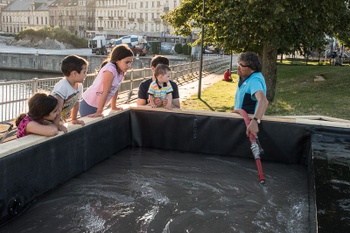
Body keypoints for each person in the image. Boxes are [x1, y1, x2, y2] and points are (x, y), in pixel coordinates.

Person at [79, 44, 134, 118]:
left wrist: (113, 106)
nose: (129, 65)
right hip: (89, 104)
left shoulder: (121, 71)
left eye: (131, 62)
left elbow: (115, 88)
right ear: (117, 60)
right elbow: (106, 91)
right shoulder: (110, 70)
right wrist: (99, 111)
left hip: (98, 104)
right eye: (127, 62)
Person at [234, 51, 269, 137]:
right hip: (241, 124)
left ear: (252, 69)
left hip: (248, 127)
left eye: (242, 66)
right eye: (239, 64)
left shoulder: (254, 81)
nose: (238, 67)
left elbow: (263, 101)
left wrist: (255, 121)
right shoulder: (245, 76)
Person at [51, 54, 88, 131]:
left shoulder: (79, 86)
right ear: (74, 73)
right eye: (84, 72)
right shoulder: (62, 86)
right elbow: (58, 107)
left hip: (60, 118)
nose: (86, 75)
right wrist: (56, 125)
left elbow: (77, 103)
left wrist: (74, 119)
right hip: (50, 118)